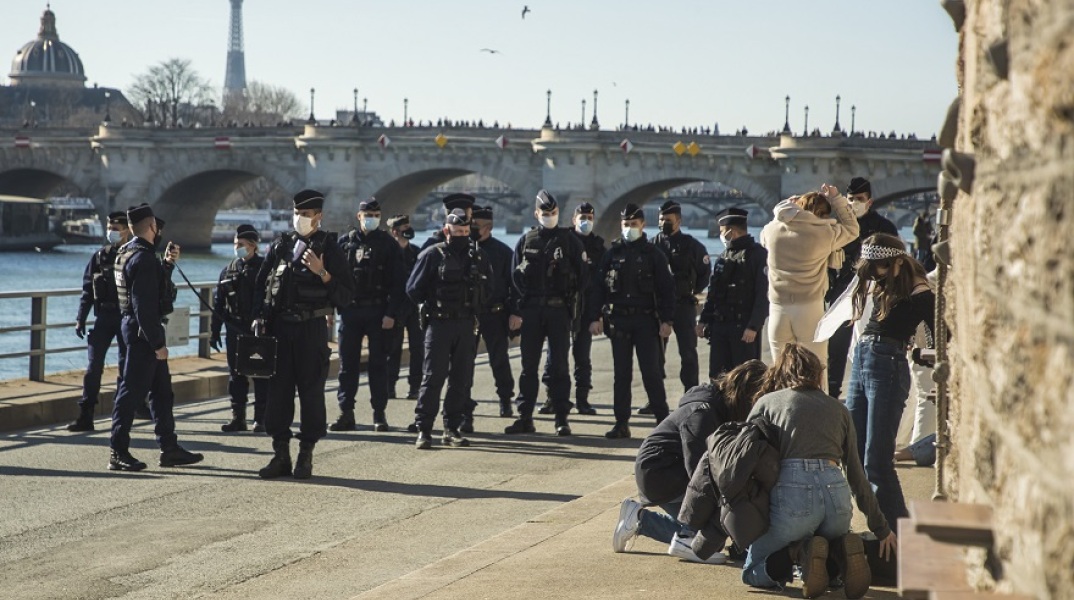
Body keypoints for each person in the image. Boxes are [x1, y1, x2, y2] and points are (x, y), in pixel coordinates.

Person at [743, 343, 895, 599]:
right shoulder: (839, 409)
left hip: (794, 497)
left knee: (752, 569)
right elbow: (856, 475)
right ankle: (839, 554)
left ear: (780, 372)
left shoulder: (767, 403)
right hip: (836, 497)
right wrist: (881, 528)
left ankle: (797, 552)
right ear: (818, 373)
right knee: (824, 543)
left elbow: (745, 461)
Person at [612, 360, 767, 562]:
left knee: (713, 534)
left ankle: (642, 520)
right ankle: (661, 529)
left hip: (666, 470)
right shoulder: (702, 413)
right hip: (660, 473)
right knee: (708, 539)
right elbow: (700, 472)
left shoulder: (717, 408)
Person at [253, 190, 356, 480]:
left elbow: (346, 295)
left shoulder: (329, 248)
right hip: (280, 330)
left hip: (310, 330)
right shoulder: (282, 245)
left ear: (318, 216)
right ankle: (280, 455)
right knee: (278, 394)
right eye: (297, 213)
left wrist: (322, 273)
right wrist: (258, 316)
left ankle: (305, 454)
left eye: (306, 214)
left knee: (311, 395)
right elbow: (261, 284)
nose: (300, 218)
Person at [845, 233, 935, 532]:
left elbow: (942, 333)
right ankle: (882, 530)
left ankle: (898, 533)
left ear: (898, 261)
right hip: (865, 358)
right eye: (871, 269)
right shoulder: (888, 282)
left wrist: (924, 353)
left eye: (880, 268)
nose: (875, 275)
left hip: (888, 363)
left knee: (877, 460)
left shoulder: (920, 291)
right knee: (854, 453)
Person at [108, 204, 203, 471]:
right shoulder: (145, 259)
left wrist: (167, 266)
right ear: (151, 226)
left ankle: (169, 448)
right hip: (144, 334)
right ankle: (118, 451)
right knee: (130, 392)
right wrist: (158, 344)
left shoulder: (126, 253)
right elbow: (145, 307)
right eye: (156, 227)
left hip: (132, 327)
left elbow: (149, 293)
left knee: (162, 393)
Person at [406, 209, 492, 449]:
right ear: (446, 231)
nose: (462, 236)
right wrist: (431, 302)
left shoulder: (478, 257)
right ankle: (424, 429)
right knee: (433, 377)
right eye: (457, 232)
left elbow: (489, 288)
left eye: (465, 232)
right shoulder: (432, 255)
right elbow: (413, 289)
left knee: (460, 379)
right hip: (439, 323)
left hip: (466, 324)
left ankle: (451, 428)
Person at [588, 203, 676, 439]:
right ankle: (621, 423)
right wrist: (594, 317)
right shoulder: (612, 254)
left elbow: (667, 290)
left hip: (646, 322)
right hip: (619, 322)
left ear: (642, 225)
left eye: (633, 224)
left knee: (651, 373)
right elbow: (598, 288)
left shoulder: (654, 255)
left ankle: (663, 423)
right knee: (621, 375)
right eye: (626, 224)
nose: (629, 228)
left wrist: (667, 320)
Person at [505, 190, 588, 436]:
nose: (549, 216)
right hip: (532, 311)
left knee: (560, 365)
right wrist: (516, 311)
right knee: (528, 366)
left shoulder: (570, 241)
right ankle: (525, 417)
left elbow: (584, 278)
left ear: (558, 213)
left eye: (553, 212)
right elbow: (514, 279)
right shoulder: (526, 240)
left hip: (559, 310)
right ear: (536, 214)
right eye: (545, 212)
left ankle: (561, 418)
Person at [761, 183, 859, 388]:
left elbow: (768, 230)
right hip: (810, 308)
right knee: (816, 369)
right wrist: (836, 198)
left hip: (778, 309)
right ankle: (817, 406)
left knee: (780, 371)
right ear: (821, 214)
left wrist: (786, 206)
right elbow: (852, 229)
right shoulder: (824, 233)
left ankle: (779, 406)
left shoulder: (772, 230)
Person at [330, 198, 407, 433]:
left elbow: (398, 283)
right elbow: (335, 280)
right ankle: (346, 413)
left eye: (375, 215)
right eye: (367, 215)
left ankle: (379, 414)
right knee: (347, 366)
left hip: (378, 312)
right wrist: (331, 309)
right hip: (350, 311)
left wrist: (391, 314)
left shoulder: (388, 244)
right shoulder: (345, 243)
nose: (371, 218)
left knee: (378, 365)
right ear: (359, 216)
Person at [824, 177, 898, 398]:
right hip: (841, 291)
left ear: (869, 201)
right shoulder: (838, 226)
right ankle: (832, 392)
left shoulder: (884, 228)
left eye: (859, 199)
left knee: (867, 343)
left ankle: (866, 390)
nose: (854, 203)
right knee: (836, 346)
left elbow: (896, 263)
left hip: (873, 294)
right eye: (851, 199)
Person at [539, 202, 606, 416]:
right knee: (555, 356)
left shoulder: (598, 247)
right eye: (582, 217)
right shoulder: (563, 241)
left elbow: (601, 285)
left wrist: (597, 315)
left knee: (582, 356)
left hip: (586, 308)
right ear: (573, 220)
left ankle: (582, 399)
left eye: (589, 218)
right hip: (563, 306)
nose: (585, 221)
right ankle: (553, 397)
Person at [68, 211, 130, 432]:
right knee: (94, 366)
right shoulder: (100, 257)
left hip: (125, 317)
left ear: (127, 230)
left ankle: (121, 414)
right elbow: (88, 290)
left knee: (125, 367)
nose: (111, 232)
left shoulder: (133, 256)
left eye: (116, 229)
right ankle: (86, 415)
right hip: (104, 316)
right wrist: (80, 319)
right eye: (109, 228)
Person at [697, 207, 769, 379]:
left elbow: (763, 294)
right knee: (718, 377)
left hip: (743, 328)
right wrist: (704, 320)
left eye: (722, 231)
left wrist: (754, 325)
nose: (721, 235)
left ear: (732, 231)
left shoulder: (758, 255)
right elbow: (713, 293)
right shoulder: (724, 256)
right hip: (720, 327)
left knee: (745, 378)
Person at [211, 224, 269, 433]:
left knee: (260, 374)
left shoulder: (264, 268)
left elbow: (270, 300)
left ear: (253, 245)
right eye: (236, 244)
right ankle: (238, 417)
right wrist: (214, 331)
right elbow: (218, 304)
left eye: (241, 244)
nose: (237, 248)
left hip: (257, 329)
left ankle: (261, 418)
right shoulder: (229, 270)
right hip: (234, 327)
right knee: (236, 375)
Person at [652, 200, 710, 394]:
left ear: (678, 221)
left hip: (683, 305)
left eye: (668, 220)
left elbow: (704, 273)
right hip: (659, 307)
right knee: (656, 355)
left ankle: (690, 394)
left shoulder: (692, 246)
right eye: (661, 219)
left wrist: (691, 290)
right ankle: (656, 397)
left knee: (688, 353)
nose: (663, 223)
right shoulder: (653, 245)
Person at [470, 205, 516, 424]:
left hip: (495, 314)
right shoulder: (464, 250)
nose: (471, 229)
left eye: (476, 226)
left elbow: (515, 286)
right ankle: (462, 401)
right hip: (469, 315)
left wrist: (515, 313)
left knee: (499, 360)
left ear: (488, 227)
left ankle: (505, 399)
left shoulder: (503, 252)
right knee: (463, 361)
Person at [384, 214, 423, 401]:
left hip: (413, 307)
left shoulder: (416, 253)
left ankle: (415, 387)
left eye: (409, 226)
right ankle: (389, 386)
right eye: (404, 227)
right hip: (393, 308)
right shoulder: (387, 254)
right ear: (395, 231)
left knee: (417, 349)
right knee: (393, 349)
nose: (409, 230)